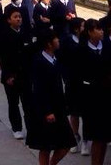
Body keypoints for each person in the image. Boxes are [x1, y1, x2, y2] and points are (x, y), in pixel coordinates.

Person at [26, 28, 76, 165]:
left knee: (66, 144)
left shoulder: (55, 59)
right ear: (49, 43)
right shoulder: (39, 62)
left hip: (59, 108)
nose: (58, 40)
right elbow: (39, 89)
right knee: (45, 146)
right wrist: (47, 111)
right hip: (46, 111)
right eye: (55, 39)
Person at [0, 4, 33, 140]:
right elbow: (3, 58)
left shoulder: (26, 33)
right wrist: (8, 75)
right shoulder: (4, 35)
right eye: (15, 17)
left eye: (20, 17)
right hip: (11, 76)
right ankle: (16, 128)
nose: (18, 19)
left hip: (25, 75)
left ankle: (31, 128)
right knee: (13, 103)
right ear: (9, 20)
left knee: (28, 103)